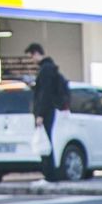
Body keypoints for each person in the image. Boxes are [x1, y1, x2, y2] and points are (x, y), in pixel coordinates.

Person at [25, 43, 71, 181]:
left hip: (47, 112)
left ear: (36, 53)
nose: (32, 60)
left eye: (31, 56)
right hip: (52, 111)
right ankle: (50, 175)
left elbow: (44, 94)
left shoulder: (45, 70)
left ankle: (50, 175)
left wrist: (40, 114)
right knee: (48, 142)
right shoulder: (50, 69)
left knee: (46, 143)